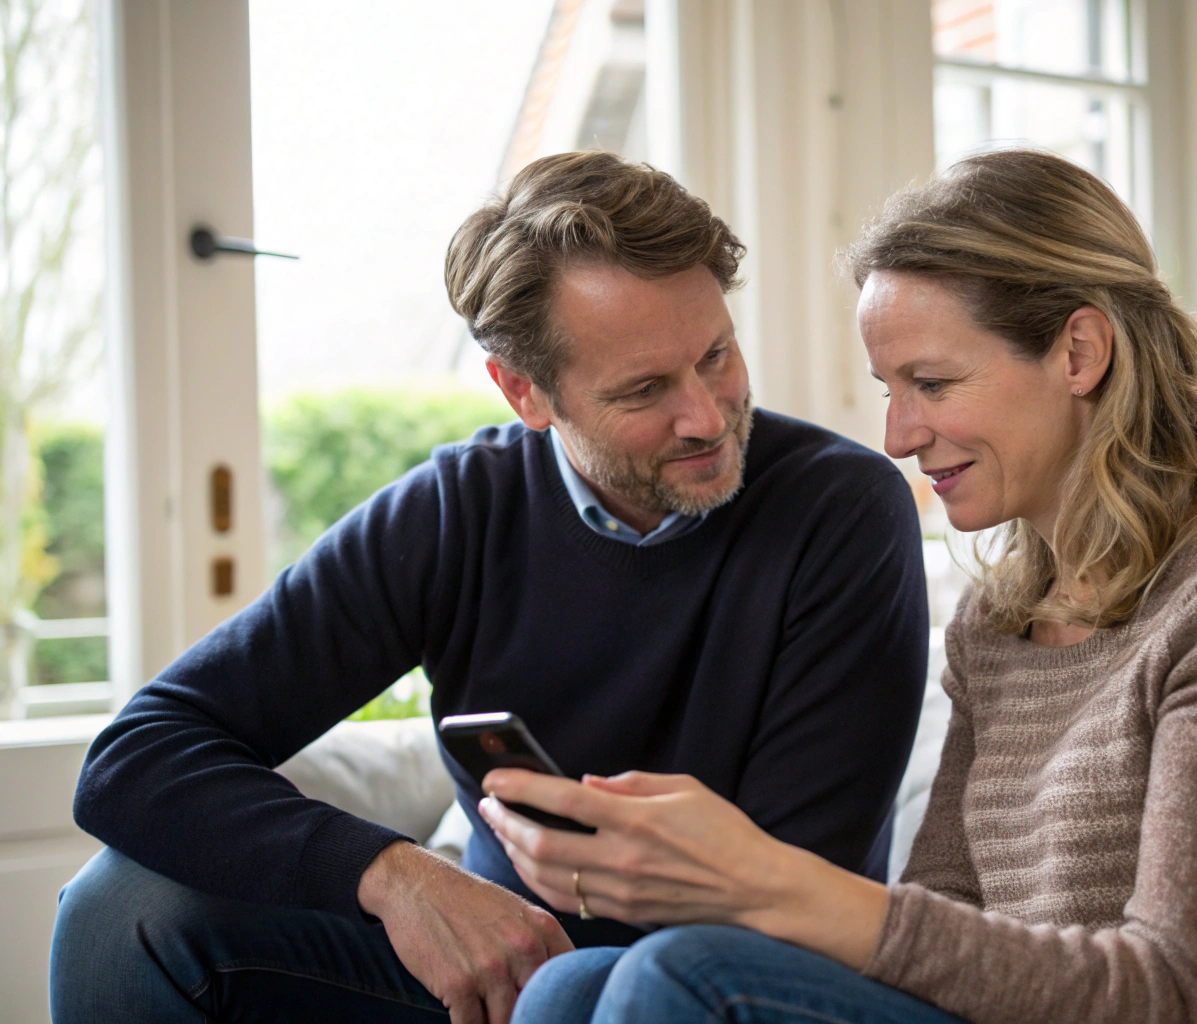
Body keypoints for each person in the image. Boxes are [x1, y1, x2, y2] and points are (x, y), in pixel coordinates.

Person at [487, 148, 1197, 1024]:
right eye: (889, 387)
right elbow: (938, 924)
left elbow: (1178, 995)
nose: (897, 435)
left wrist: (769, 882)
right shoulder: (1002, 624)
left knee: (688, 972)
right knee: (572, 987)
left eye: (930, 382)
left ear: (1079, 351)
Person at [48, 152, 929, 1024]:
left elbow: (794, 892)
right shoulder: (456, 511)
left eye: (717, 355)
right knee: (122, 913)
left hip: (720, 986)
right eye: (644, 389)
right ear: (525, 393)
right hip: (497, 980)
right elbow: (136, 756)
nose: (705, 415)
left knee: (585, 989)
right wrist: (396, 877)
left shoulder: (840, 511)